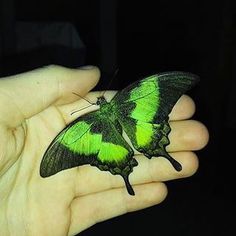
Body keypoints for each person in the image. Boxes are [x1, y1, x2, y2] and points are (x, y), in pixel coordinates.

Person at [0, 65, 209, 235]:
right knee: (156, 146)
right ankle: (161, 157)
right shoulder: (123, 100)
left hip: (114, 145)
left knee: (138, 163)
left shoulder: (86, 124)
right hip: (140, 128)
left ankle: (135, 174)